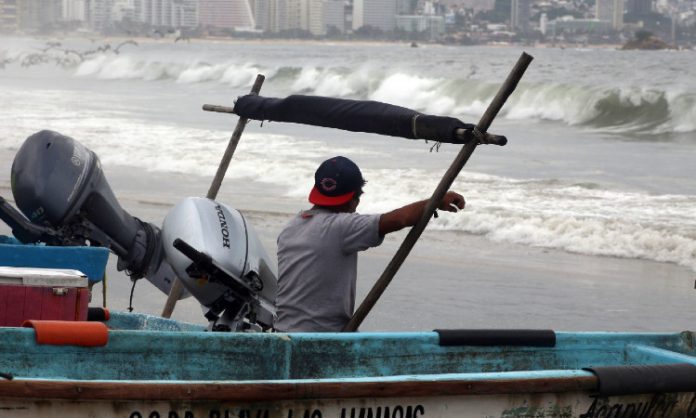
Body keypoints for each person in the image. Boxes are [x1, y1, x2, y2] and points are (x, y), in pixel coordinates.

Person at [274, 156, 465, 332]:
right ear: (353, 201)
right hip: (319, 337)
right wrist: (437, 200)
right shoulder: (342, 227)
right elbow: (399, 219)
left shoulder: (292, 226)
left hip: (282, 330)